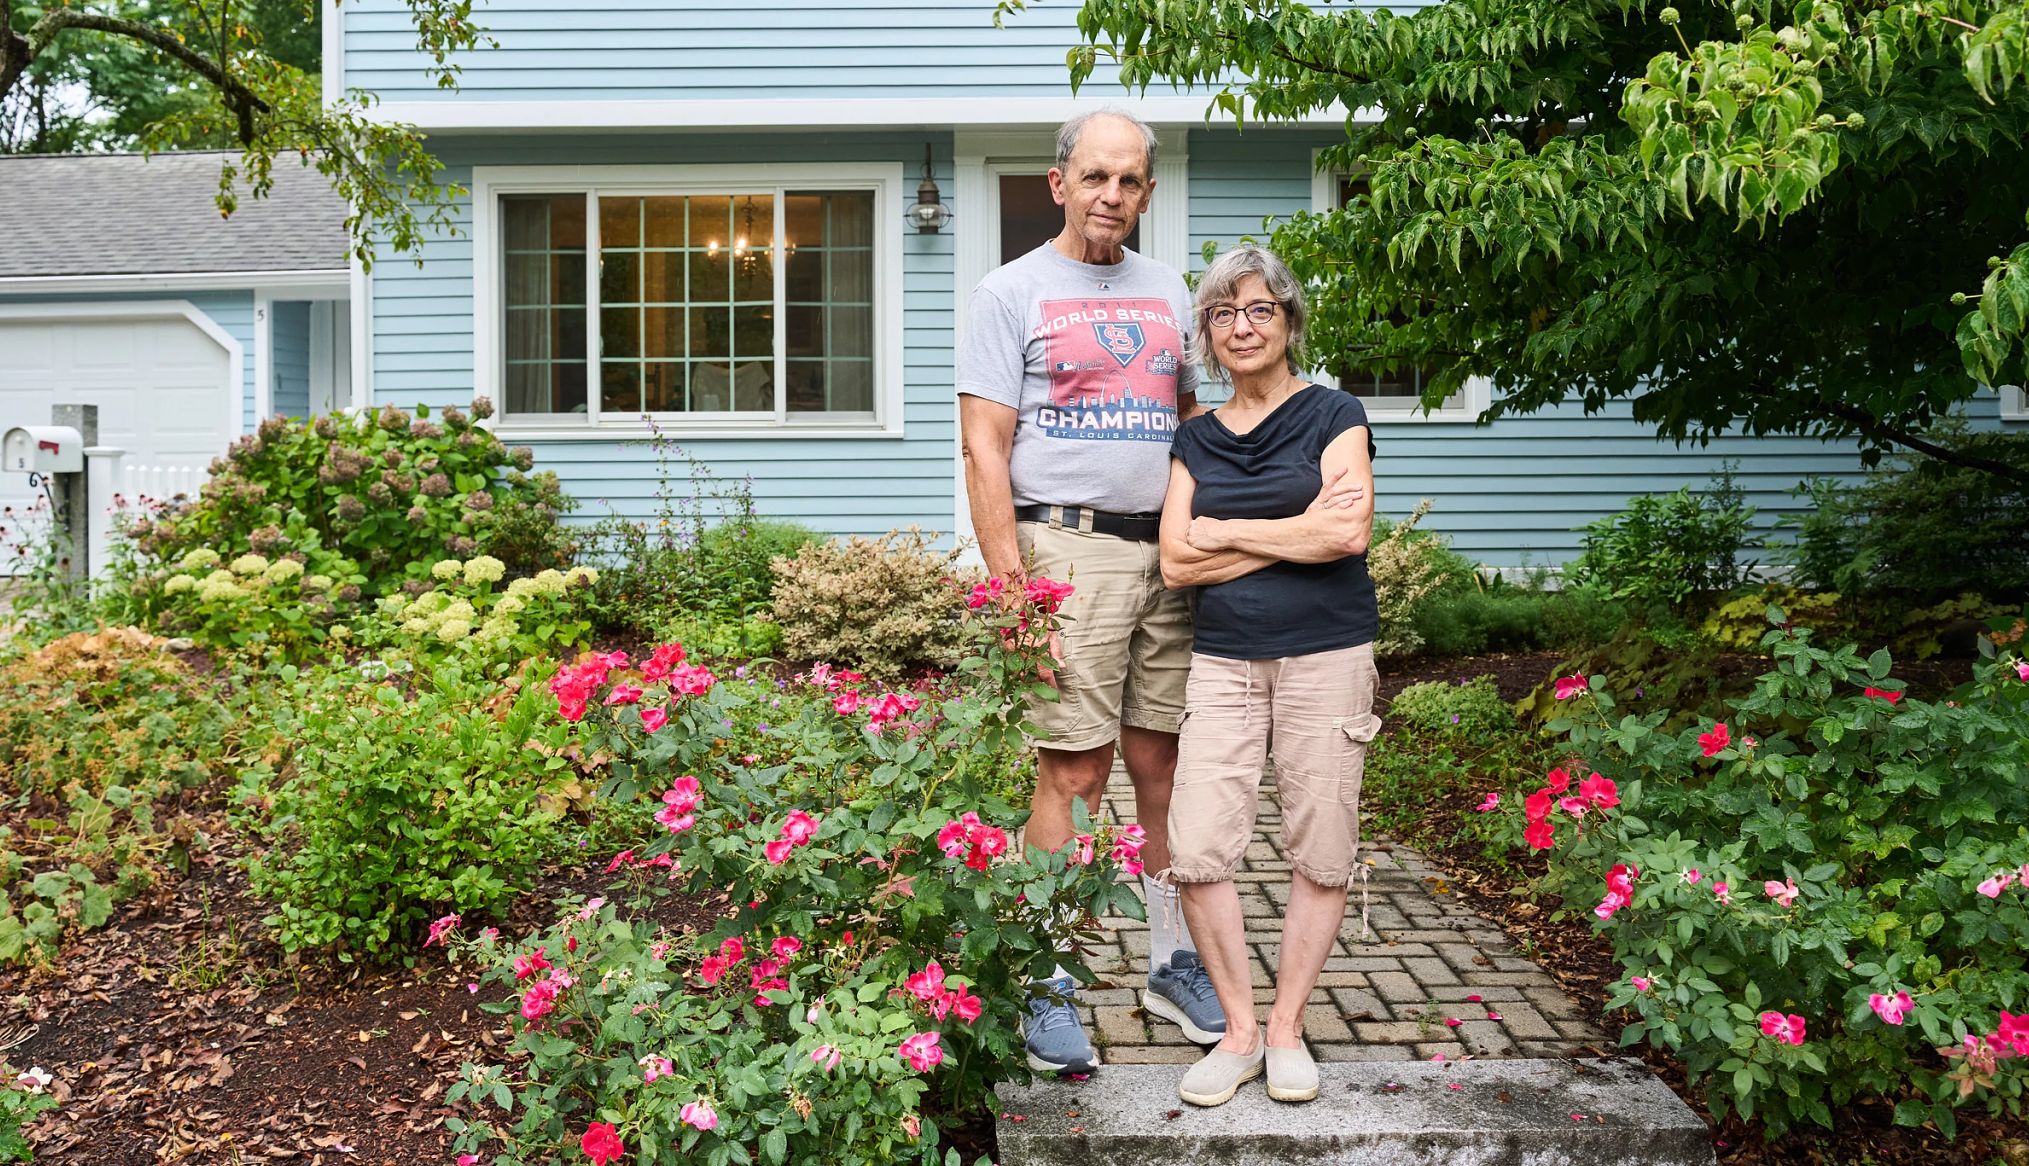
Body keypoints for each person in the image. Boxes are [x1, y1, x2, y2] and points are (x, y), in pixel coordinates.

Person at [955, 109, 1224, 1073]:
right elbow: (983, 445)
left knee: (1164, 766)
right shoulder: (1009, 291)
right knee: (1073, 772)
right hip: (1064, 557)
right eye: (1096, 176)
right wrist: (1012, 595)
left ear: (1147, 191)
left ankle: (1171, 961)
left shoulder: (1167, 292)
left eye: (1131, 181)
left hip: (1171, 559)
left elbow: (1192, 417)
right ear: (1057, 182)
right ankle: (1045, 978)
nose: (1113, 195)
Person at [1158, 244, 1381, 1107]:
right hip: (1222, 660)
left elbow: (1343, 538)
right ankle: (1240, 1033)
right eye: (1222, 313)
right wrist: (1285, 527)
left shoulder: (1335, 413)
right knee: (1198, 844)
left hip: (1326, 652)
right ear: (1207, 335)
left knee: (1320, 843)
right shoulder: (1197, 435)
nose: (1241, 327)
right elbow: (1175, 562)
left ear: (1289, 321)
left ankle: (1286, 1028)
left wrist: (1224, 531)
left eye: (1259, 310)